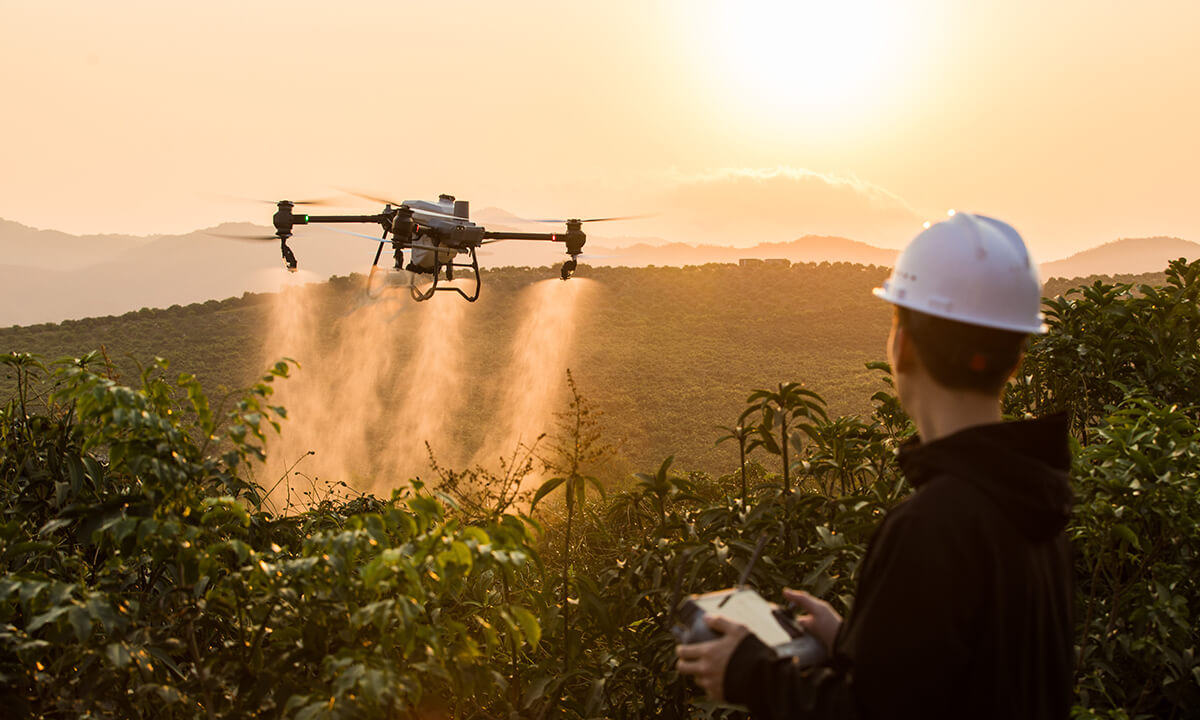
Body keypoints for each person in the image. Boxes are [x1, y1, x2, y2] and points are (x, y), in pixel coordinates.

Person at [676, 213, 1075, 719]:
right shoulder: (1037, 504)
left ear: (902, 345)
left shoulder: (935, 524)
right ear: (1015, 359)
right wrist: (852, 640)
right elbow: (965, 682)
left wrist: (750, 673)